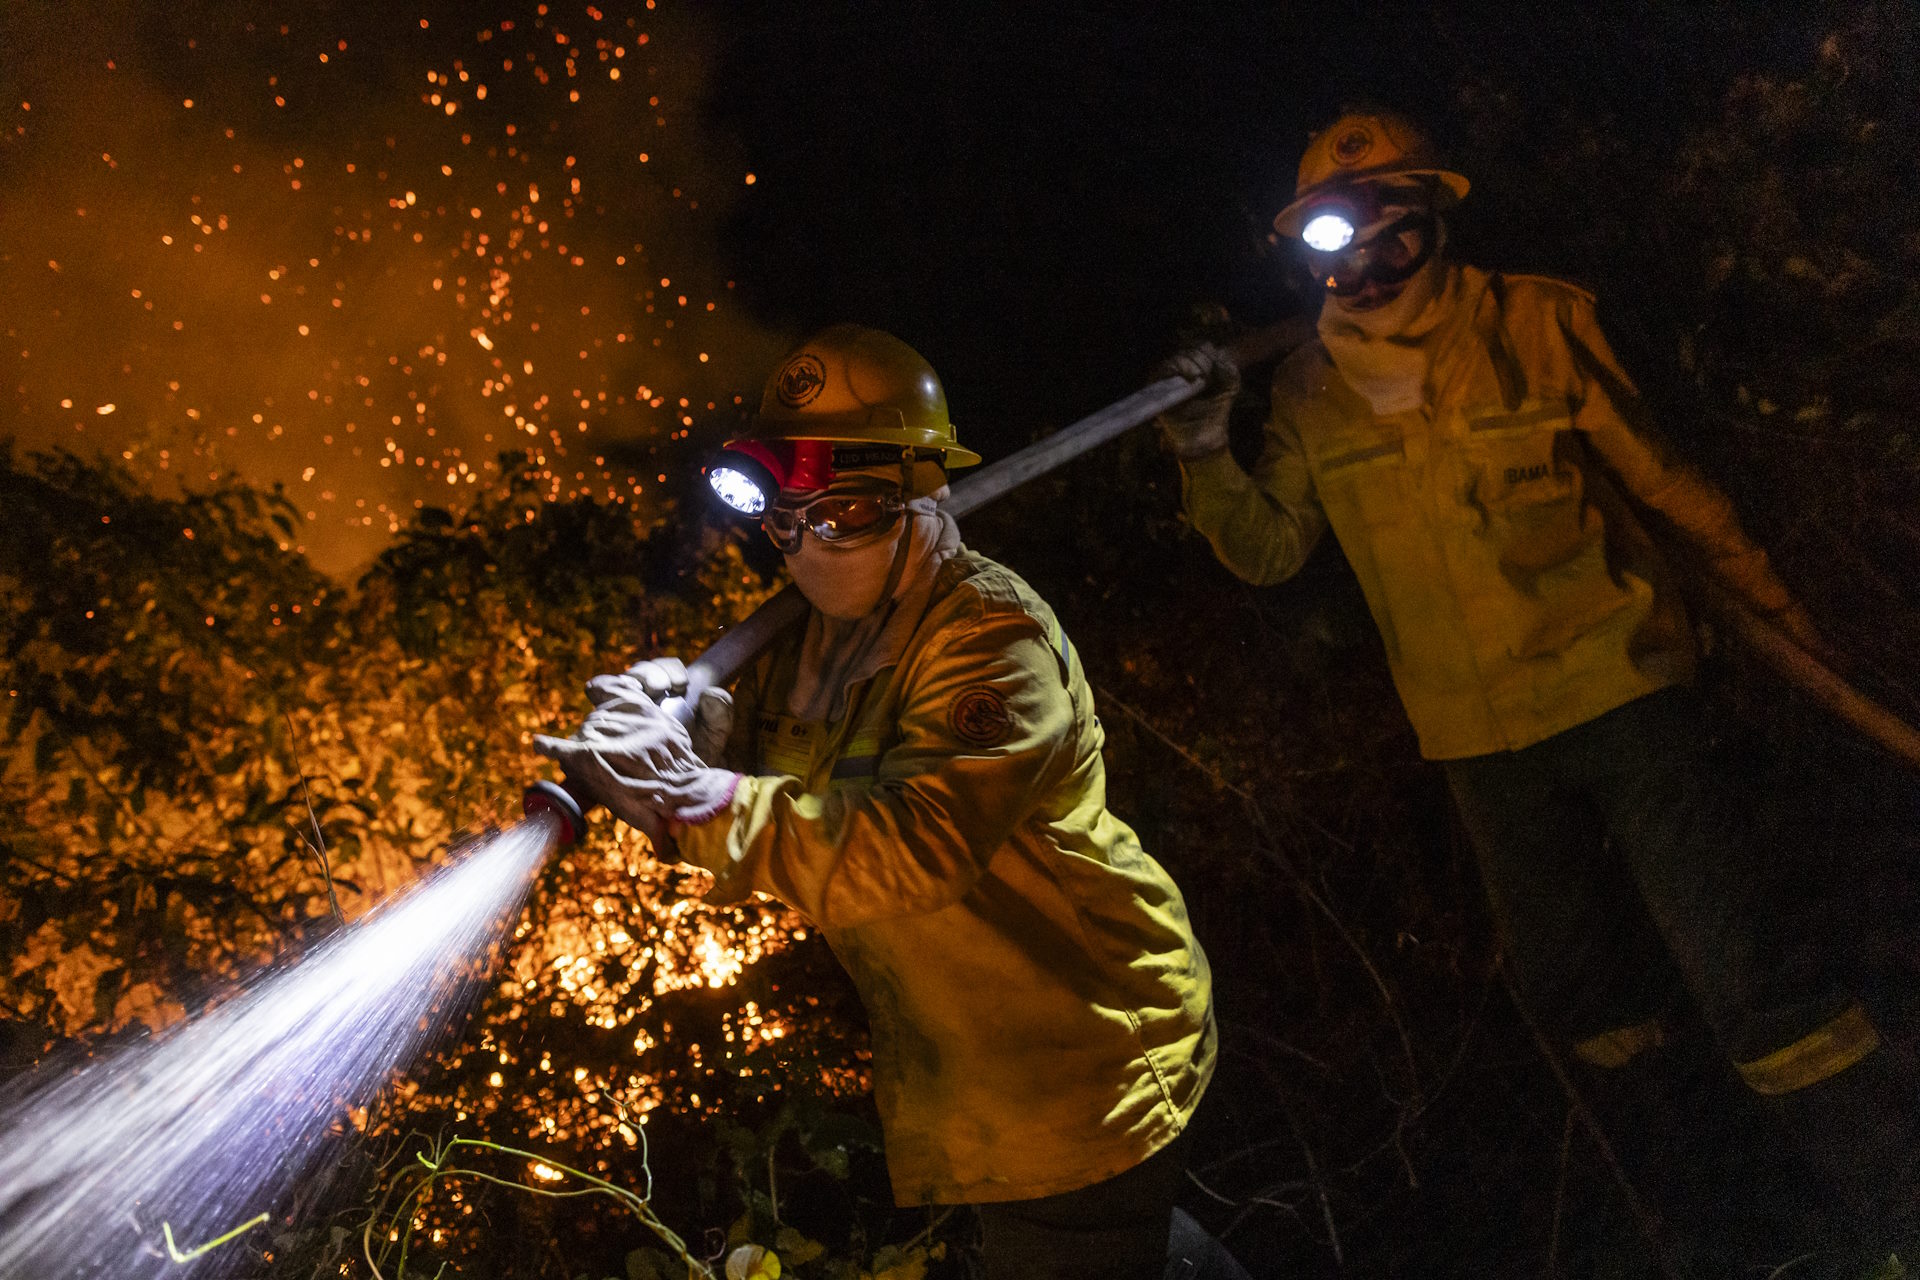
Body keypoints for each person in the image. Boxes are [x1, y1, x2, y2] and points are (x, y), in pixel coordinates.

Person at [1157, 109, 1919, 1266]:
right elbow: (1267, 548)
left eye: (1379, 225)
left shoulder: (1541, 321)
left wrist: (1781, 621)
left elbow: (1670, 488)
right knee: (1587, 1001)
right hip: (1476, 740)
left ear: (1432, 215)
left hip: (1627, 691)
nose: (1357, 256)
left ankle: (1892, 1198)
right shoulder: (1309, 389)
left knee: (1748, 970)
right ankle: (1734, 1235)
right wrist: (1205, 445)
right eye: (1329, 238)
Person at [537, 325, 1244, 1280]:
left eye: (846, 514)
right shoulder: (803, 644)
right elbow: (772, 818)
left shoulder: (990, 640)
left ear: (924, 493)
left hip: (1082, 1055)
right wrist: (694, 736)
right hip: (977, 1067)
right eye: (784, 517)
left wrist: (690, 796)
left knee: (1084, 1242)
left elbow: (913, 852)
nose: (806, 544)